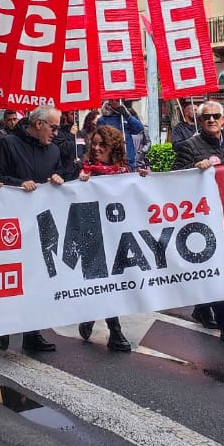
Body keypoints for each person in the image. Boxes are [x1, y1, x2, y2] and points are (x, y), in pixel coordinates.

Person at [0, 104, 76, 353]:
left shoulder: (54, 151)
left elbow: (60, 176)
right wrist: (18, 184)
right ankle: (2, 328)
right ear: (39, 124)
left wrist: (59, 179)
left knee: (37, 280)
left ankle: (32, 333)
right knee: (11, 278)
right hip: (11, 226)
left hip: (42, 225)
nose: (57, 133)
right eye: (54, 127)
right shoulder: (8, 144)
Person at [173, 100, 224, 343]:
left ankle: (202, 306)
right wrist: (192, 168)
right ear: (200, 121)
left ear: (223, 119)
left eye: (216, 116)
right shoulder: (189, 147)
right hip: (202, 219)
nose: (211, 120)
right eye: (206, 117)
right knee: (215, 268)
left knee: (221, 267)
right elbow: (173, 180)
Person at [74, 125, 148, 352]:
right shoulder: (83, 171)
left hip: (117, 235)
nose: (96, 148)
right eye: (93, 144)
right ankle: (115, 330)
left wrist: (143, 179)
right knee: (103, 282)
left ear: (112, 147)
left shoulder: (124, 171)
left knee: (112, 284)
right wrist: (79, 183)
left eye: (101, 145)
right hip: (92, 235)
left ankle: (91, 315)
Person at [96, 99, 146, 170]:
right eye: (114, 100)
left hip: (129, 160)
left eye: (118, 100)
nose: (116, 102)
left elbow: (139, 129)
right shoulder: (103, 120)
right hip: (112, 161)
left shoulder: (125, 116)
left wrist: (128, 116)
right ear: (110, 102)